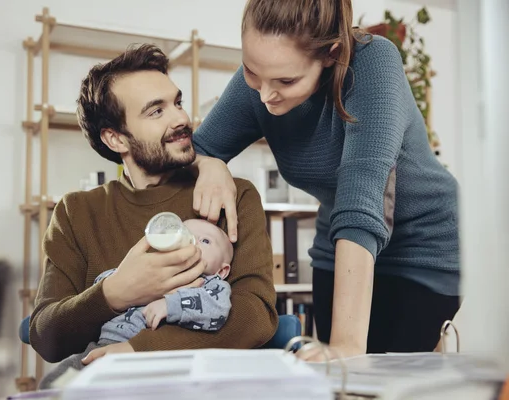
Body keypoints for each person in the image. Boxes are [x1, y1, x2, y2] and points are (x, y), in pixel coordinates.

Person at [191, 0, 461, 359]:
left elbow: (361, 195)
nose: (265, 95)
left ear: (332, 54)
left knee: (378, 376)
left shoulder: (373, 63)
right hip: (338, 248)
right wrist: (211, 164)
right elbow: (199, 148)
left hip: (424, 246)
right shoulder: (260, 83)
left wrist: (346, 348)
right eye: (251, 72)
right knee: (333, 379)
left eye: (286, 80)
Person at [29, 43, 278, 378]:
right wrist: (115, 293)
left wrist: (138, 351)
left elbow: (256, 315)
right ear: (116, 139)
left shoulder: (232, 194)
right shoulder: (76, 212)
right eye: (156, 111)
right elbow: (46, 335)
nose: (181, 119)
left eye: (177, 103)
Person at [39, 217, 235, 389]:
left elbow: (217, 308)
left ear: (222, 271)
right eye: (187, 236)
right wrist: (113, 284)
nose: (193, 245)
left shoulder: (211, 284)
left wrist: (170, 305)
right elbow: (108, 282)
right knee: (58, 382)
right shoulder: (151, 267)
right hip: (102, 347)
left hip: (152, 358)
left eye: (205, 241)